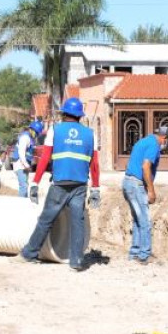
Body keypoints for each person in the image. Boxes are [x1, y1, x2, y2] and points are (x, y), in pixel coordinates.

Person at [19, 98, 100, 271]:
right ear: (80, 116)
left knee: (46, 219)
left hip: (59, 184)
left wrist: (35, 182)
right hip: (79, 185)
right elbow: (95, 164)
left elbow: (44, 159)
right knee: (77, 221)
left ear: (64, 114)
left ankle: (29, 253)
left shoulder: (55, 130)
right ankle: (76, 261)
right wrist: (96, 188)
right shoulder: (90, 133)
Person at [122, 126, 168, 265]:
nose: (165, 144)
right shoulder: (154, 145)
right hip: (136, 185)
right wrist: (151, 190)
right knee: (145, 221)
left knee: (137, 220)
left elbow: (131, 162)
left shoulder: (143, 141)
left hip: (128, 183)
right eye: (167, 141)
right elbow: (145, 166)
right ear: (163, 138)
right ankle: (144, 255)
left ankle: (135, 253)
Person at [11, 120, 44, 198]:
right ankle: (21, 205)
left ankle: (23, 202)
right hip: (20, 164)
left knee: (25, 184)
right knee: (24, 186)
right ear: (32, 130)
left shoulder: (30, 138)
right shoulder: (25, 137)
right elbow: (21, 153)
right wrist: (26, 165)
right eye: (36, 133)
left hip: (24, 165)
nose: (36, 135)